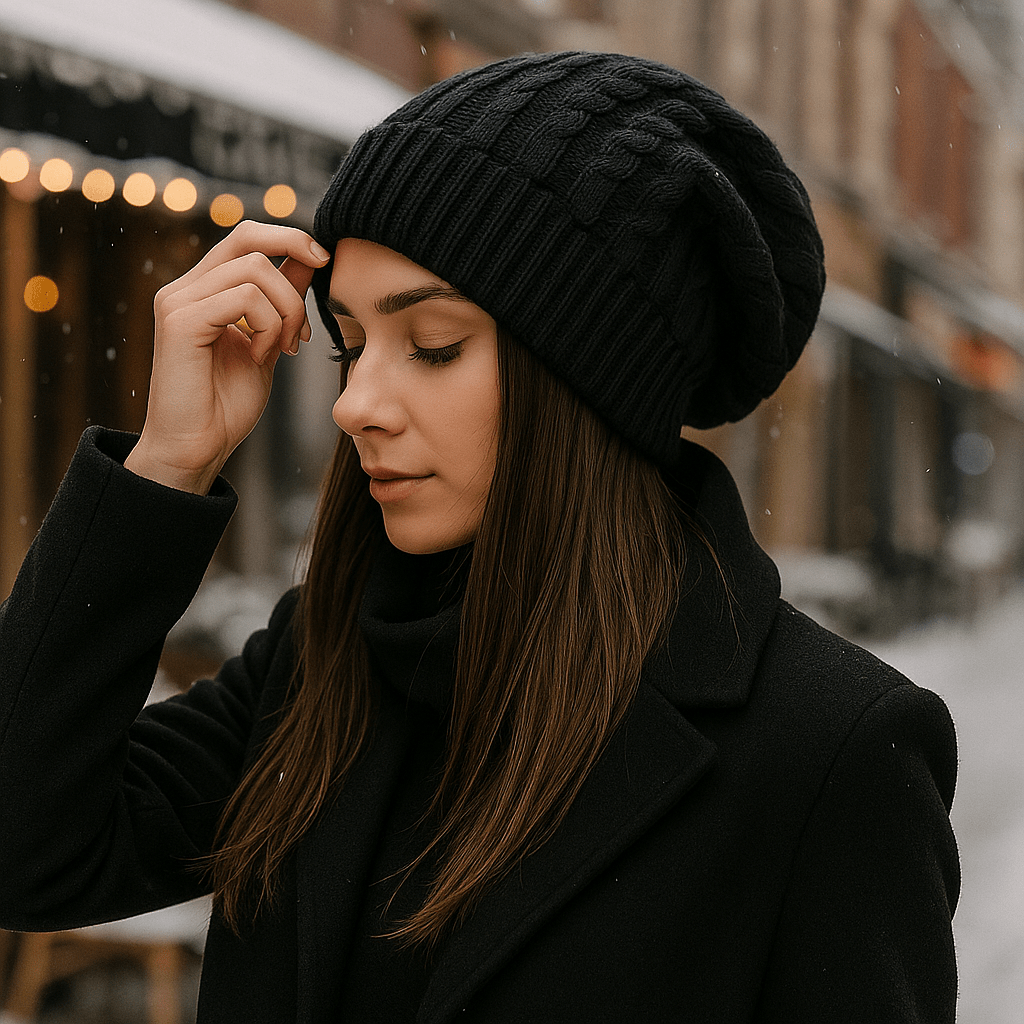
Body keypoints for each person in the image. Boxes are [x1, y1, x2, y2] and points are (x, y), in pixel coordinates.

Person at [0, 51, 958, 1023]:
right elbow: (24, 847)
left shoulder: (829, 751)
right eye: (349, 344)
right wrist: (165, 465)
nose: (354, 404)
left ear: (587, 377)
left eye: (433, 345)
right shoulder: (321, 663)